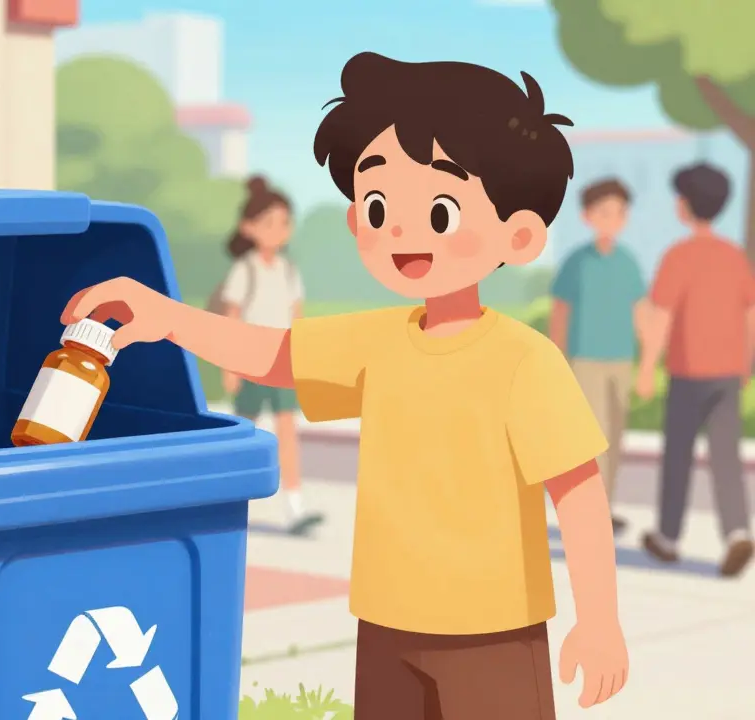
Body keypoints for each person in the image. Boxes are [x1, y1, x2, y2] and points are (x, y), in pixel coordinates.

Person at [61, 53, 627, 720]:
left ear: (521, 233)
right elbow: (273, 354)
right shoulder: (378, 340)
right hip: (386, 624)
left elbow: (577, 490)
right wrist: (166, 317)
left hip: (493, 633)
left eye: (440, 210)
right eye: (379, 203)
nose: (400, 231)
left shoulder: (525, 361)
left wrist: (600, 621)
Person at [637, 163, 755, 578]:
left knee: (678, 457)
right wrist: (747, 362)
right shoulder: (734, 257)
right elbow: (750, 314)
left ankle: (669, 538)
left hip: (688, 372)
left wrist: (648, 367)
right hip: (727, 371)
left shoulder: (678, 256)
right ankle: (738, 531)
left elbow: (662, 317)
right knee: (726, 456)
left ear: (686, 205)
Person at [218, 175, 322, 534]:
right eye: (269, 223)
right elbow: (231, 320)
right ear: (248, 227)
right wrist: (230, 366)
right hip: (250, 363)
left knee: (287, 434)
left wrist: (304, 359)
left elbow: (298, 317)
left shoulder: (288, 271)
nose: (279, 230)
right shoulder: (243, 270)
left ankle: (294, 506)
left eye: (284, 222)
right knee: (244, 433)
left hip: (283, 364)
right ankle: (228, 499)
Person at [549, 178, 646, 534]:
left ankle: (604, 506)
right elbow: (560, 313)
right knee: (592, 437)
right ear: (588, 216)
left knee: (615, 435)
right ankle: (588, 510)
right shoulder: (577, 262)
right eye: (604, 212)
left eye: (619, 213)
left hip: (620, 360)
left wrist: (648, 363)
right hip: (585, 359)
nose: (613, 219)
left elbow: (640, 311)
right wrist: (556, 359)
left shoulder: (628, 263)